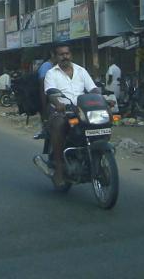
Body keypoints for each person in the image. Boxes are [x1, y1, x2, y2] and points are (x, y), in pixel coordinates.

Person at [44, 44, 100, 187]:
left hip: (82, 110)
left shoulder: (81, 71)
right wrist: (57, 103)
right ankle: (59, 169)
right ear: (56, 57)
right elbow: (50, 92)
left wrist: (99, 96)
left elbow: (92, 88)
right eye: (61, 54)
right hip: (62, 111)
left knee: (101, 123)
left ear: (71, 55)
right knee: (59, 124)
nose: (65, 57)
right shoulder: (52, 73)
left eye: (67, 53)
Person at [34, 53, 55, 140]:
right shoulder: (46, 66)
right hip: (46, 101)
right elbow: (42, 87)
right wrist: (44, 107)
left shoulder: (52, 66)